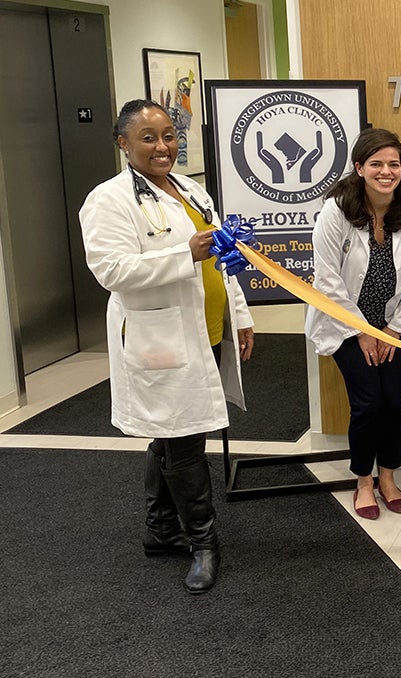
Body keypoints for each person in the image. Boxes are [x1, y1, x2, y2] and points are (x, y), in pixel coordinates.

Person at [79, 99, 255, 594]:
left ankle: (160, 529)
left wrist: (239, 315)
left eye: (169, 137)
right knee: (184, 435)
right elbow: (111, 271)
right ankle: (203, 543)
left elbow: (222, 258)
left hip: (207, 325)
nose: (163, 147)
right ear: (123, 144)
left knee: (171, 432)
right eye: (149, 138)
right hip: (160, 336)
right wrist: (185, 251)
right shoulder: (108, 200)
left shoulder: (191, 191)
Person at [305, 128, 401, 520]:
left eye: (394, 164)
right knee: (368, 404)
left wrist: (393, 330)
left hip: (397, 325)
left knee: (395, 402)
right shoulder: (336, 210)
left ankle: (389, 475)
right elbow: (326, 278)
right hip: (346, 323)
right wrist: (362, 331)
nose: (386, 171)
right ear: (359, 168)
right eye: (376, 164)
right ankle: (364, 480)